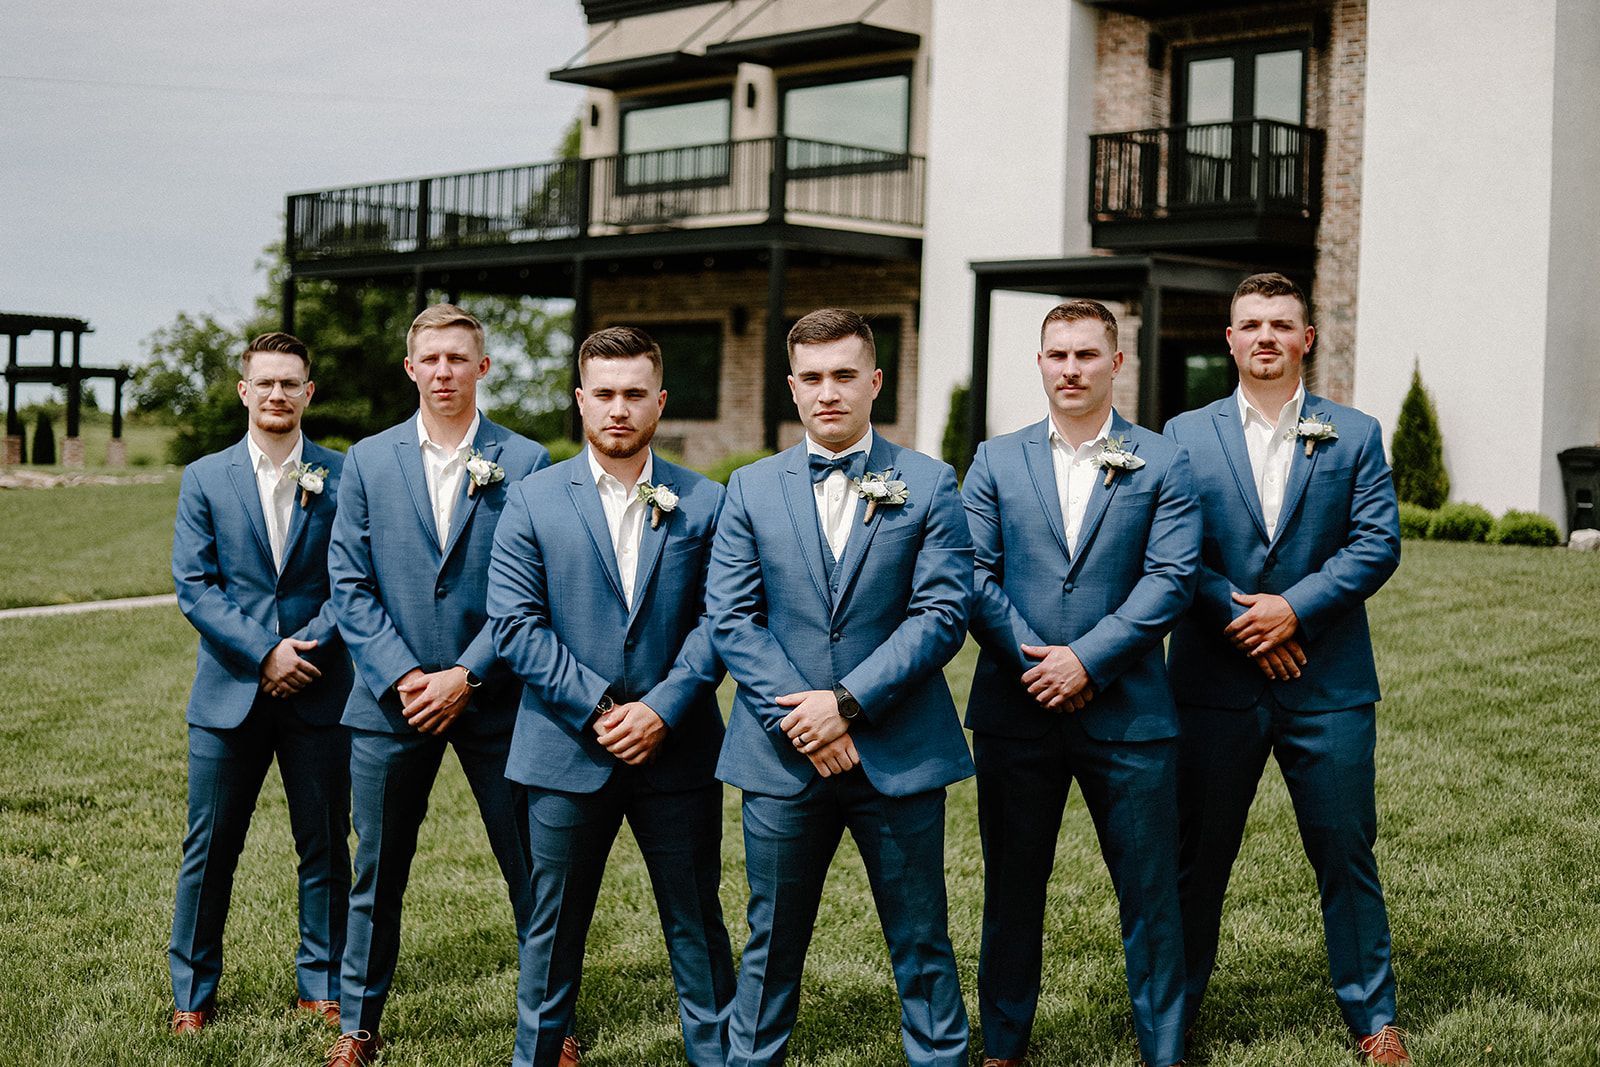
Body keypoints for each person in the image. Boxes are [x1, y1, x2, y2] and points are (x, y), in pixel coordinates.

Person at [709, 308, 974, 1066]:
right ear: (793, 387)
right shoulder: (750, 487)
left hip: (898, 749)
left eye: (845, 375)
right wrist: (806, 719)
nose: (830, 392)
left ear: (875, 381)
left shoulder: (927, 483)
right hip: (782, 755)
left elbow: (942, 612)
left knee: (922, 936)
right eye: (814, 378)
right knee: (770, 940)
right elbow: (732, 617)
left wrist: (847, 704)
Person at [1164, 272, 1407, 1064]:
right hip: (1212, 684)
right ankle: (1177, 1014)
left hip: (1328, 682)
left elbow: (1376, 543)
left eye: (1281, 323)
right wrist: (1242, 616)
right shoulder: (1182, 435)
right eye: (1250, 324)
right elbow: (1168, 552)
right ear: (1228, 339)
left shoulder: (1357, 432)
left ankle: (1374, 1017)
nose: (1265, 336)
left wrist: (1293, 610)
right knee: (1195, 859)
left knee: (1345, 848)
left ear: (1307, 337)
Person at [487, 326, 734, 1067]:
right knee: (551, 930)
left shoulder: (708, 501)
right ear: (580, 400)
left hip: (679, 748)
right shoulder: (530, 500)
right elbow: (513, 624)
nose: (619, 409)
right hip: (563, 751)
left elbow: (721, 620)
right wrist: (598, 709)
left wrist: (661, 707)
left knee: (696, 921)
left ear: (660, 400)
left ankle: (716, 1055)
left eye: (634, 394)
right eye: (605, 394)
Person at [962, 300, 1198, 1067]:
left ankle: (1162, 1047)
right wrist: (1038, 661)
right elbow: (970, 574)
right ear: (1039, 362)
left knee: (1150, 894)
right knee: (1012, 888)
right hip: (1016, 705)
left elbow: (1170, 579)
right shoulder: (995, 460)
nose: (1071, 369)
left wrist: (1087, 660)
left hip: (1128, 714)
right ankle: (1003, 1046)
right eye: (1057, 354)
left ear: (1116, 363)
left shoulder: (1161, 460)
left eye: (1086, 355)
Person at [324, 304, 549, 1066]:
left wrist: (466, 673)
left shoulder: (528, 460)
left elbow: (530, 591)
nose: (446, 371)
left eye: (461, 358)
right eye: (433, 359)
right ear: (411, 368)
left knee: (531, 868)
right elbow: (349, 584)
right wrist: (408, 676)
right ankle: (358, 1024)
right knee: (376, 870)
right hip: (393, 703)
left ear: (483, 368)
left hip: (497, 701)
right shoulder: (368, 458)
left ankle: (550, 1024)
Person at [167, 331, 355, 1035]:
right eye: (265, 382)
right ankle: (192, 993)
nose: (278, 394)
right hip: (228, 693)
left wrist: (303, 650)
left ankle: (323, 981)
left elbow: (354, 582)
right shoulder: (204, 478)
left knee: (325, 843)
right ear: (245, 391)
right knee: (210, 847)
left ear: (309, 393)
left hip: (321, 686)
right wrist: (263, 652)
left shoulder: (343, 475)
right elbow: (195, 585)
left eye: (291, 383)